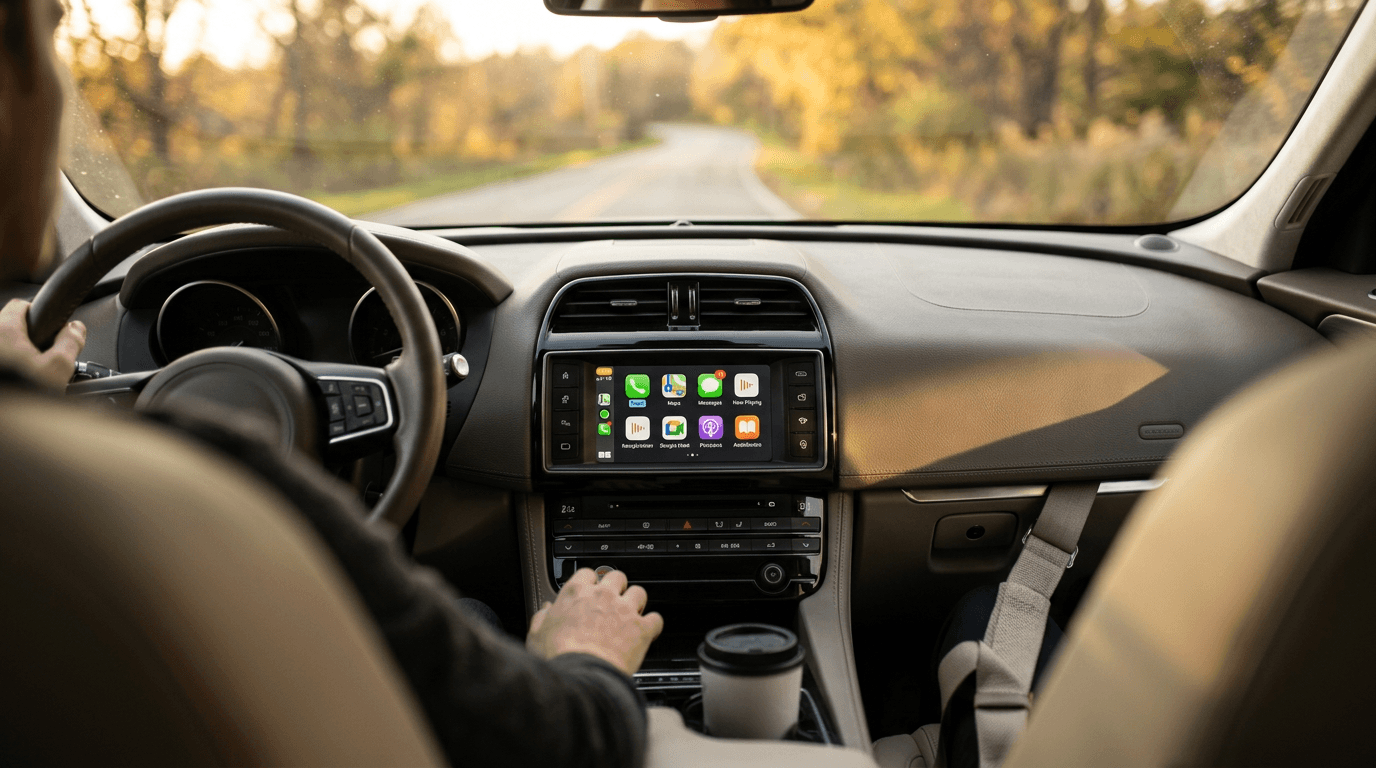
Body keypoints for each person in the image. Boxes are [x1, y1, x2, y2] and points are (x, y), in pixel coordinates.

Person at [0, 1, 663, 765]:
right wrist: (584, 651)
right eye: (51, 39)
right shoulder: (224, 474)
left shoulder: (39, 469)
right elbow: (560, 742)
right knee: (472, 614)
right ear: (14, 88)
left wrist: (30, 411)